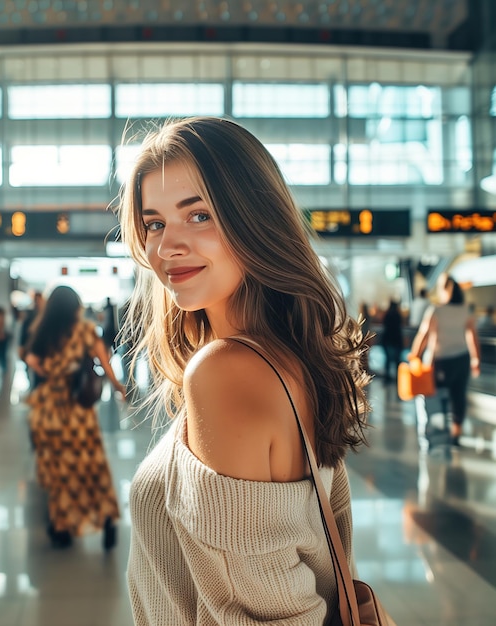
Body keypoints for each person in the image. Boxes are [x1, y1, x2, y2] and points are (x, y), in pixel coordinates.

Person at [117, 117, 370, 624]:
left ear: (254, 218)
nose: (167, 247)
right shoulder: (292, 358)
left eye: (200, 215)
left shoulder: (225, 372)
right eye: (155, 223)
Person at [25, 285, 127, 549]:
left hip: (49, 406)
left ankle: (62, 525)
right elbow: (105, 363)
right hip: (78, 412)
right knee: (91, 464)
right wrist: (118, 387)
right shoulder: (84, 330)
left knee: (60, 468)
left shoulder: (44, 329)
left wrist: (52, 372)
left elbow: (32, 360)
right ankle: (105, 517)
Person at [409, 273, 480, 446]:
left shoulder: (436, 310)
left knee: (435, 397)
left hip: (440, 362)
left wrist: (414, 355)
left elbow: (424, 334)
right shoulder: (465, 310)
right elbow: (472, 336)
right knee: (458, 397)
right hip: (462, 359)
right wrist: (475, 359)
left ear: (444, 291)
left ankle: (437, 433)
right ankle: (456, 435)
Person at [380, 299, 404, 383]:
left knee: (388, 360)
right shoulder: (398, 315)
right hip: (396, 339)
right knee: (397, 360)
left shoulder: (387, 315)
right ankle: (398, 378)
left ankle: (387, 377)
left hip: (387, 339)